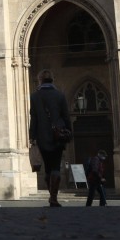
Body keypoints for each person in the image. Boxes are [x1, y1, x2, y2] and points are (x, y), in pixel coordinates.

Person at [29, 68, 71, 206]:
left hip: (42, 137)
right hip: (58, 135)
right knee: (55, 167)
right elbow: (65, 116)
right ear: (53, 79)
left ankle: (52, 196)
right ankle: (54, 197)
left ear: (40, 80)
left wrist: (32, 136)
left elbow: (33, 119)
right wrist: (68, 132)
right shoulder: (60, 95)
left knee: (47, 168)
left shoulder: (35, 97)